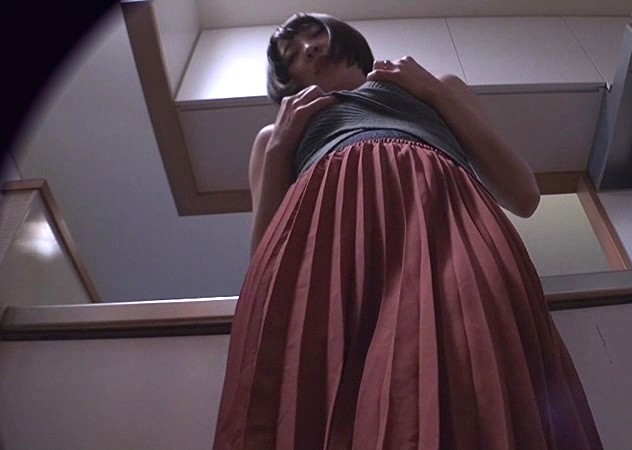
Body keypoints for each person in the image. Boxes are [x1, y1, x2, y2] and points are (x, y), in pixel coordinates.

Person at [213, 12, 602, 450]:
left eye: (315, 35)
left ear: (343, 37)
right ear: (289, 80)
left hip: (446, 220)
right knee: (337, 381)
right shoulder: (275, 135)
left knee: (474, 353)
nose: (310, 48)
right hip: (331, 250)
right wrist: (279, 148)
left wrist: (433, 91)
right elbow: (266, 267)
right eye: (292, 55)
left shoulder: (434, 87)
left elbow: (523, 194)